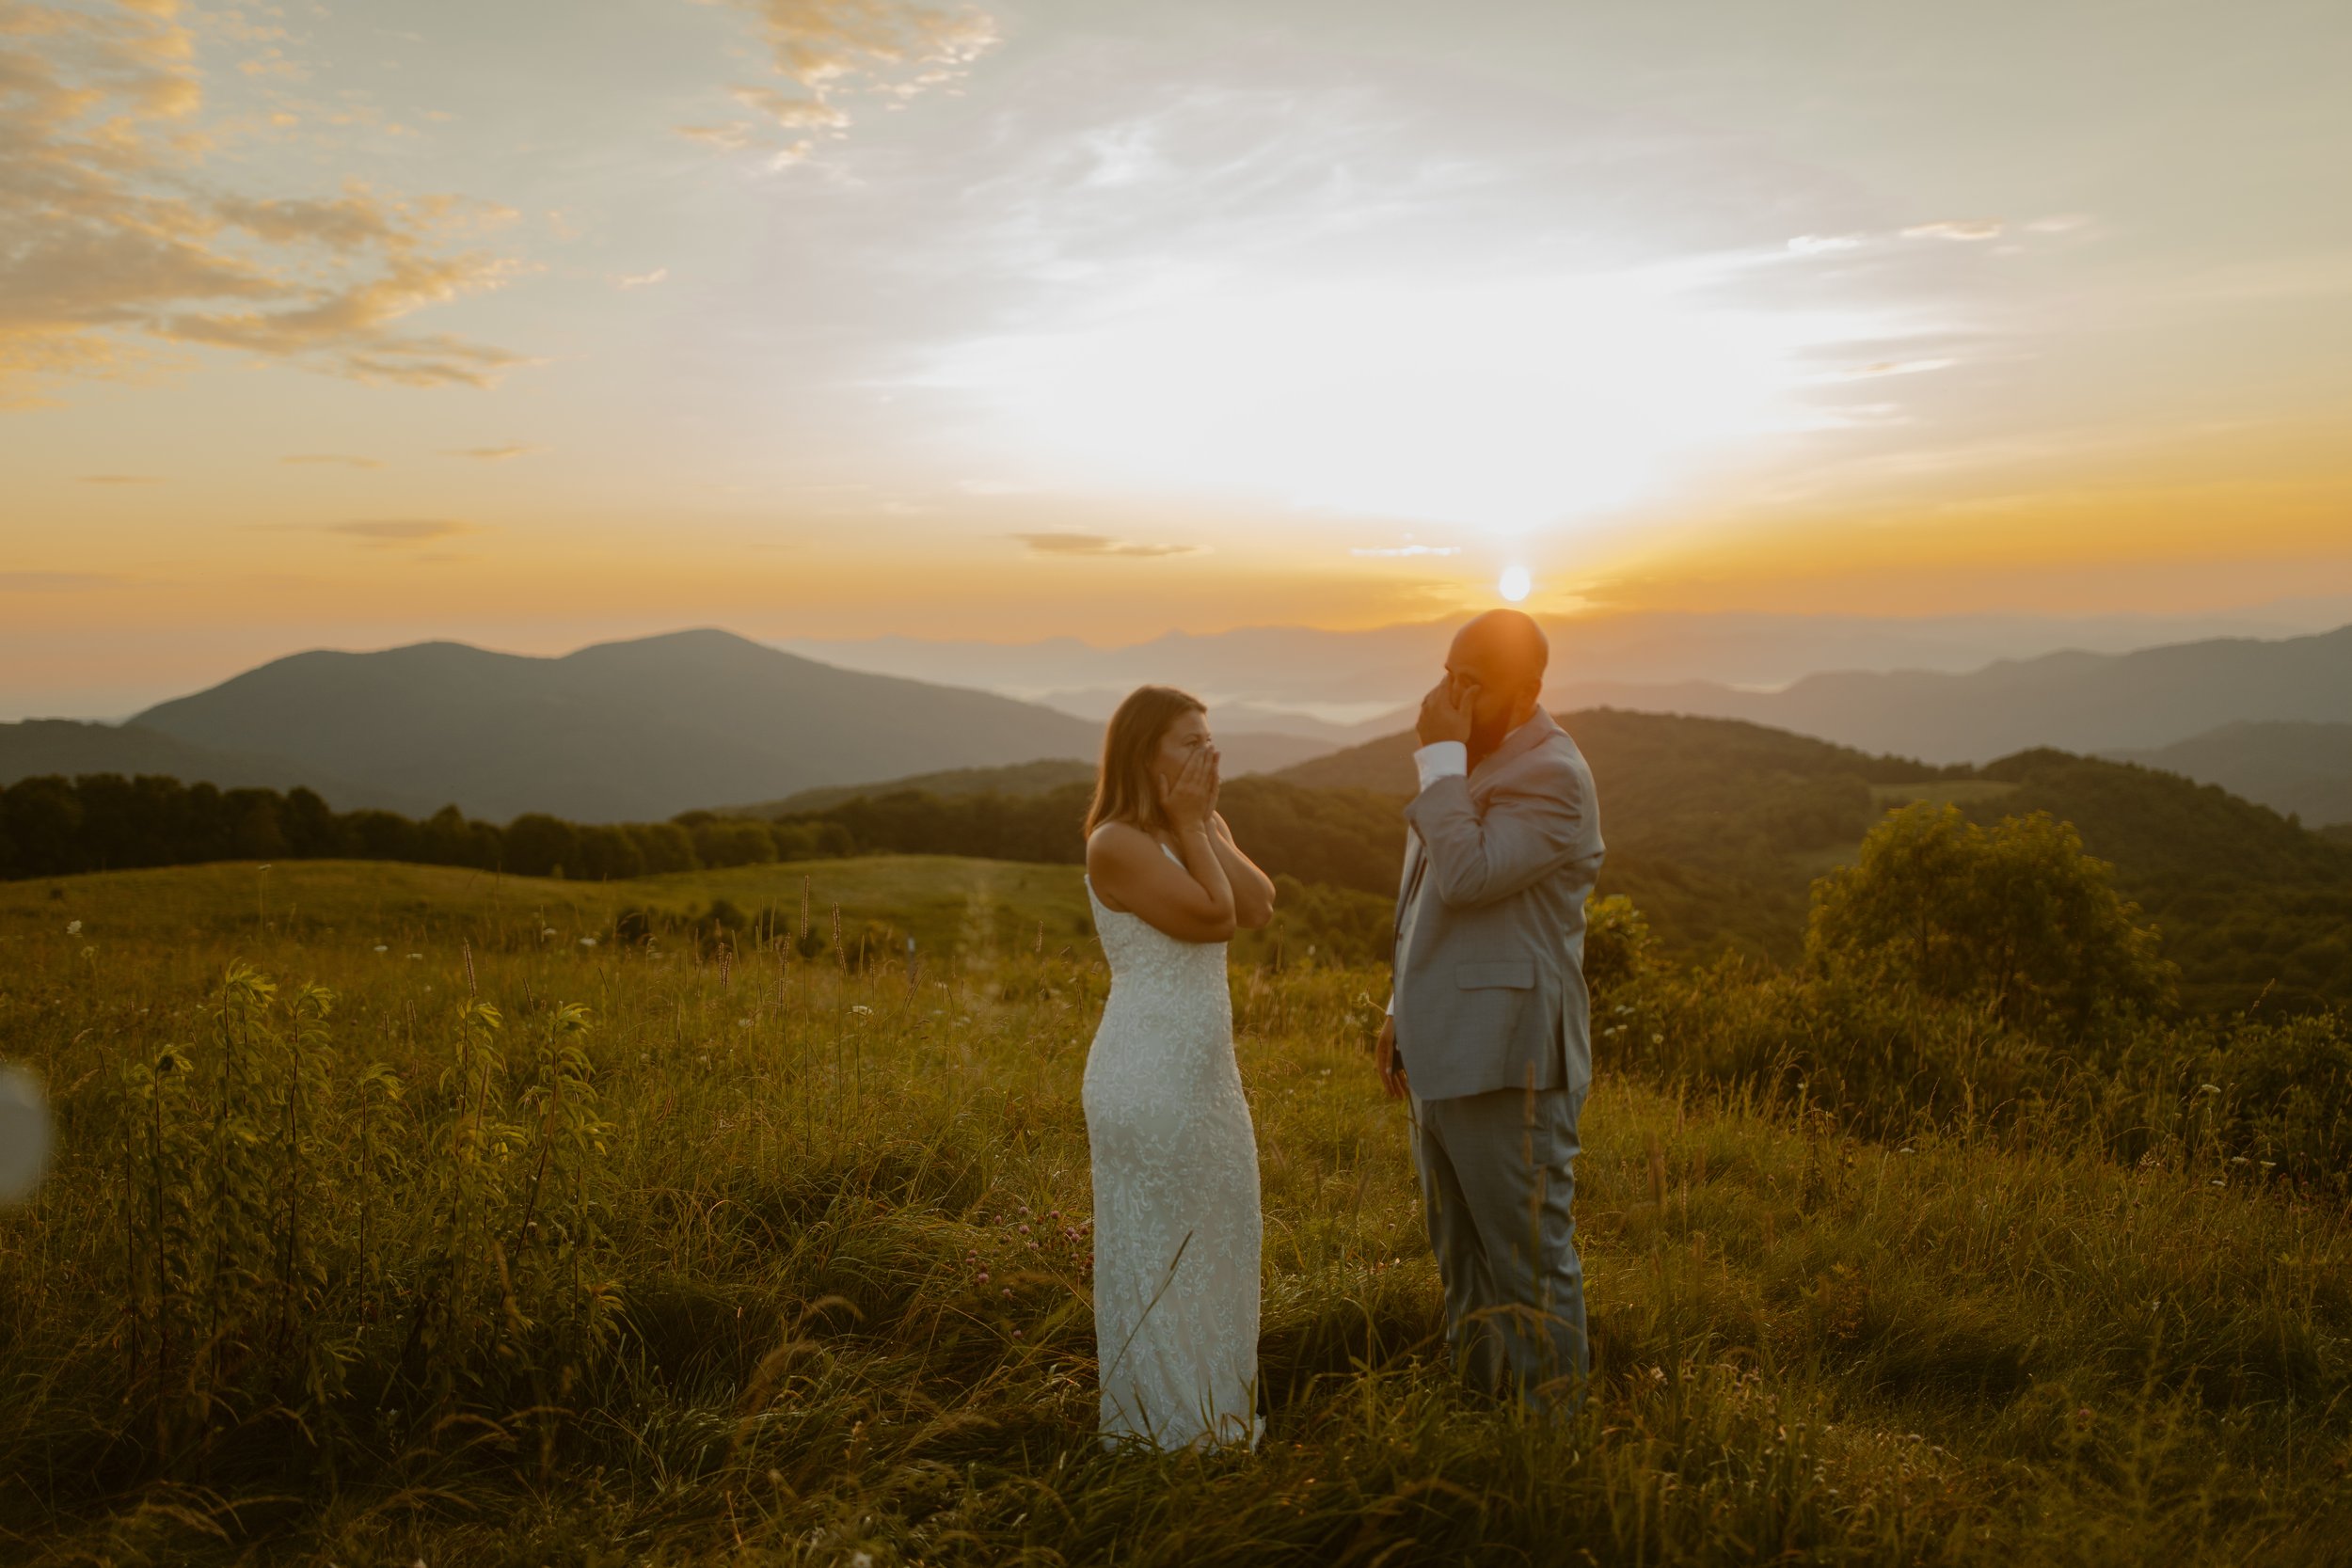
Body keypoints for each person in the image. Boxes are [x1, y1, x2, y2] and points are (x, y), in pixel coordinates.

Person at [1374, 610, 1605, 1409]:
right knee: (1462, 1256)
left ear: (1530, 691)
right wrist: (1403, 1004)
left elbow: (1469, 875)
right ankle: (1480, 1409)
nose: (1453, 697)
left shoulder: (1553, 776)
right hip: (1442, 1045)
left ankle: (1553, 1445)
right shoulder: (1466, 760)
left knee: (1528, 1263)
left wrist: (1436, 756)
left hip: (1513, 1060)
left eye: (1475, 684)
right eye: (1449, 675)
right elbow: (1433, 903)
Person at [1080, 685, 1278, 1449]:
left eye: (1210, 738)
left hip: (1206, 1081)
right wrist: (1194, 827)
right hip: (1146, 1076)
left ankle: (1214, 1418)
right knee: (1161, 1251)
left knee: (1223, 1238)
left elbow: (1259, 903)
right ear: (1145, 755)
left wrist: (1205, 825)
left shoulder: (1198, 825)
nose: (1210, 754)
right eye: (1191, 743)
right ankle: (1162, 1436)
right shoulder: (1116, 842)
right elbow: (1211, 917)